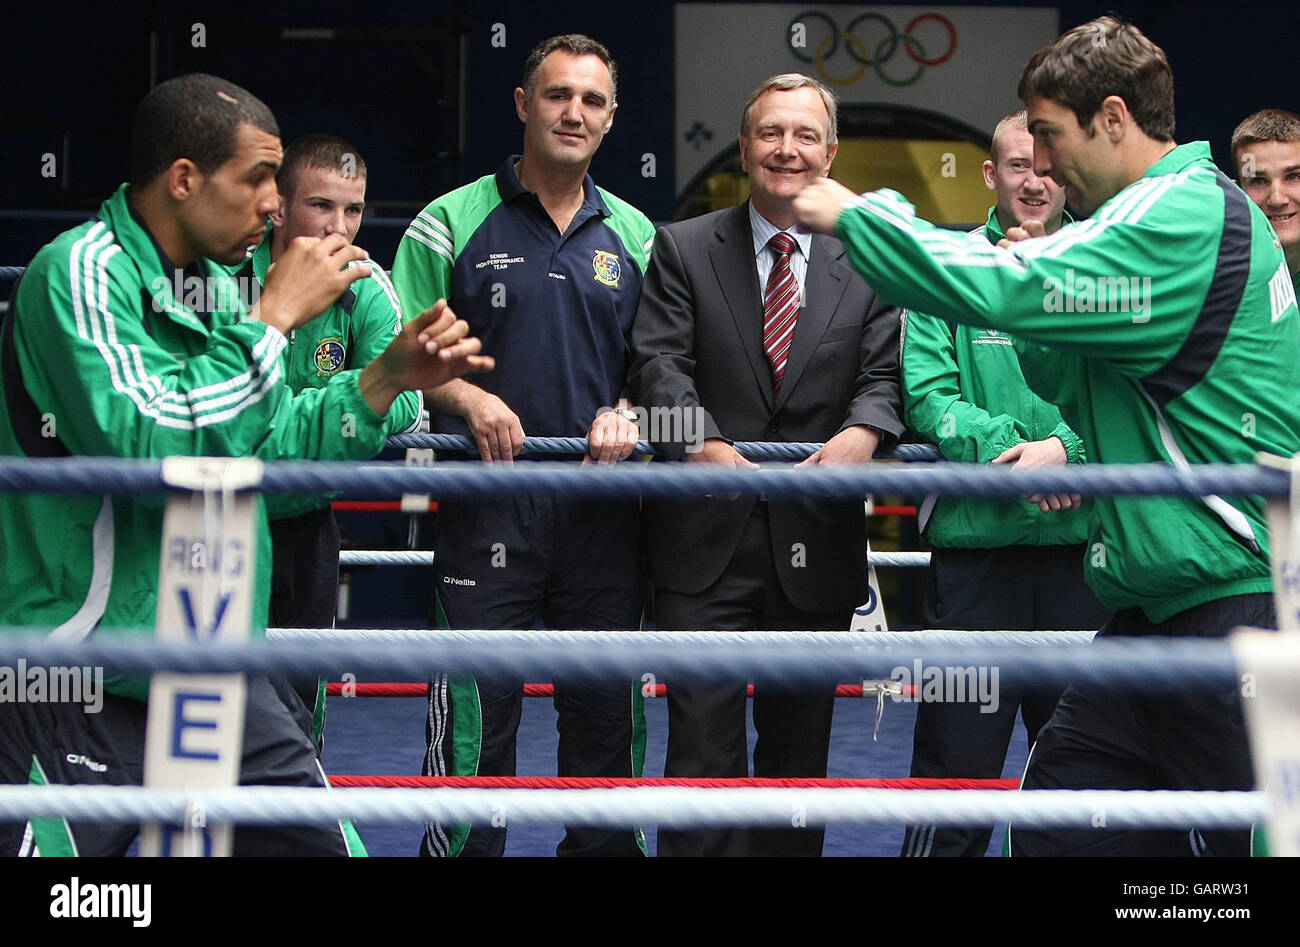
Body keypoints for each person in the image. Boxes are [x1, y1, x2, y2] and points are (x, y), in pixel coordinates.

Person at [793, 16, 1300, 856]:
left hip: (1239, 599)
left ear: (1111, 117)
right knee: (1063, 823)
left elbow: (1001, 284)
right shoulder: (1168, 209)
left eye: (1052, 136)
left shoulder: (1178, 215)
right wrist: (1043, 306)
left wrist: (858, 214)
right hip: (1156, 607)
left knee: (1246, 855)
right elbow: (1080, 383)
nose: (1047, 163)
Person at [0, 73, 491, 857]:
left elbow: (260, 441)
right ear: (185, 179)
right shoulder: (80, 273)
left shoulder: (219, 284)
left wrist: (381, 379)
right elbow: (152, 441)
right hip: (77, 674)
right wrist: (271, 322)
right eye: (258, 177)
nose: (275, 201)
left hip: (210, 657)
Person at [391, 34, 655, 858]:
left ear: (611, 120)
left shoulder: (642, 234)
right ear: (522, 104)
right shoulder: (448, 221)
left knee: (608, 728)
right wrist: (465, 395)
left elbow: (664, 369)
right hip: (483, 511)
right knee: (472, 732)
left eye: (592, 100)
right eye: (557, 94)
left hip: (605, 517)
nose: (573, 112)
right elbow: (395, 355)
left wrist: (632, 408)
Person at [627, 73, 904, 858]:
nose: (788, 148)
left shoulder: (873, 256)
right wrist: (705, 444)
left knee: (796, 764)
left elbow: (886, 377)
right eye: (772, 133)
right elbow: (657, 369)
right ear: (744, 147)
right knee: (702, 762)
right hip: (701, 544)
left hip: (817, 541)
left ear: (832, 152)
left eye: (806, 135)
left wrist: (867, 431)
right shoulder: (681, 245)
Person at [899, 109, 1110, 858]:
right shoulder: (948, 268)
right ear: (990, 175)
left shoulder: (1106, 267)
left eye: (1049, 166)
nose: (1035, 181)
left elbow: (1135, 394)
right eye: (1018, 165)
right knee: (954, 774)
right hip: (976, 564)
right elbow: (928, 394)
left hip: (1086, 563)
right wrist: (1020, 454)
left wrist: (1071, 451)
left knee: (1083, 780)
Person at [231, 133, 423, 747]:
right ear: (279, 207)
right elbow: (217, 408)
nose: (340, 226)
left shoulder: (366, 284)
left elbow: (408, 405)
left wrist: (292, 410)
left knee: (299, 704)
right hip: (219, 520)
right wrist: (353, 392)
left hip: (310, 520)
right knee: (213, 694)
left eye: (354, 209)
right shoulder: (226, 275)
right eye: (321, 205)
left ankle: (291, 827)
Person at [1232, 109, 1300, 290]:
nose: (1277, 199)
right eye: (1258, 180)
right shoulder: (1218, 285)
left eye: (1293, 177)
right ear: (1236, 192)